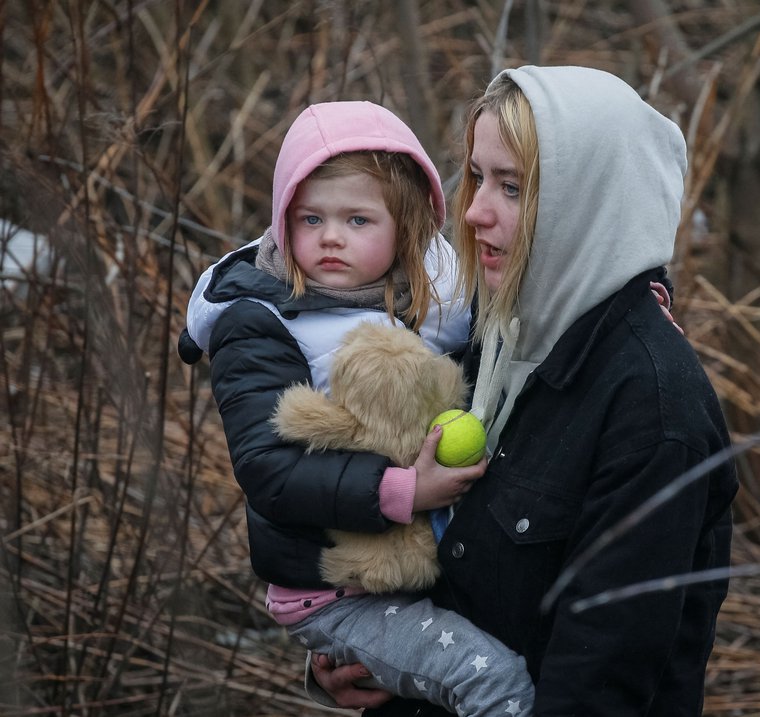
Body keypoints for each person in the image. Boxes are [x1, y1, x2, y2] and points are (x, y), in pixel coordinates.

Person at [312, 65, 739, 716]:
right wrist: (363, 653)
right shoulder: (494, 340)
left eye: (512, 187)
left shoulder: (652, 409)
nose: (476, 210)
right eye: (478, 176)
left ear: (588, 203)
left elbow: (598, 689)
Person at [178, 101, 538, 715]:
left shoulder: (433, 308)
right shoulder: (259, 322)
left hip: (405, 572)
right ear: (281, 221)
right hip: (336, 593)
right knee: (495, 685)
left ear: (406, 227)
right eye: (310, 217)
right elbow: (268, 470)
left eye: (358, 219)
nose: (331, 237)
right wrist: (403, 490)